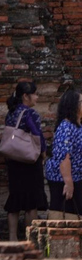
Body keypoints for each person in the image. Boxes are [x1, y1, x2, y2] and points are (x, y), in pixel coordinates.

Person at [4, 80, 47, 240]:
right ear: (25, 96)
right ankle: (31, 239)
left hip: (13, 160)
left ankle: (12, 238)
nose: (37, 97)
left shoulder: (11, 112)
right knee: (31, 203)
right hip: (29, 161)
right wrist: (43, 153)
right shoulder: (30, 113)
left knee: (15, 199)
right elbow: (38, 135)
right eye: (35, 94)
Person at [45, 89, 82, 218]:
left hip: (77, 176)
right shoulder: (66, 127)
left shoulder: (77, 125)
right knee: (62, 213)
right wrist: (68, 182)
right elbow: (64, 157)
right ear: (73, 105)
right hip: (63, 178)